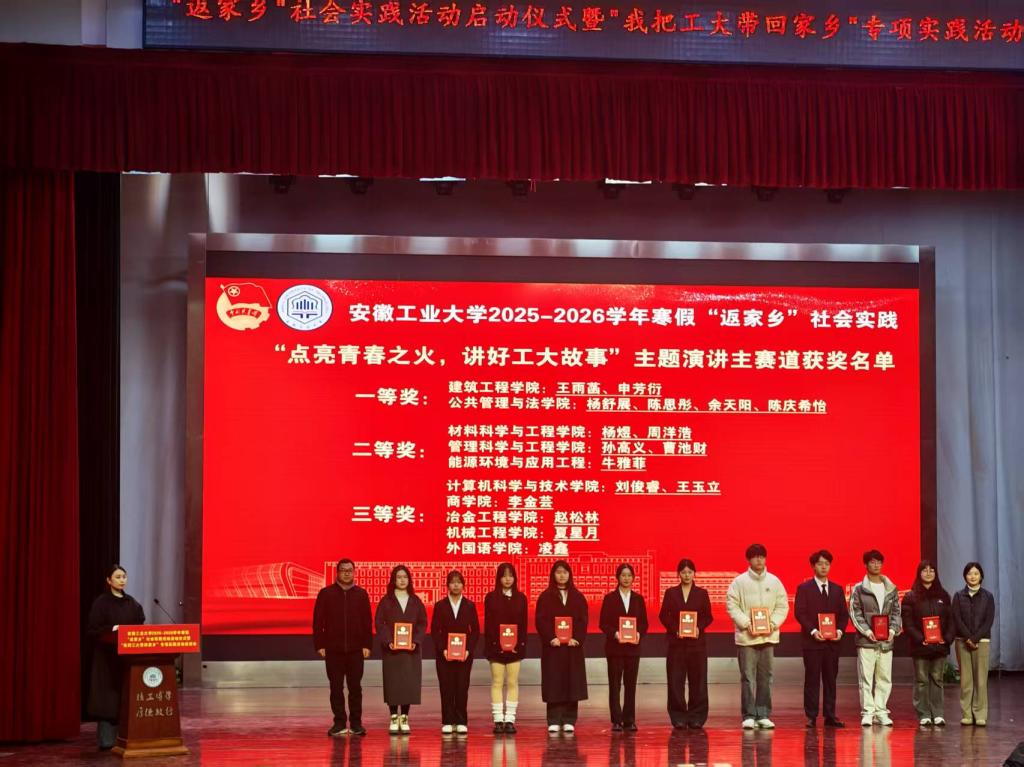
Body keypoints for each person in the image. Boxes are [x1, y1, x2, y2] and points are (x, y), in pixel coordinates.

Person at [725, 543, 789, 730]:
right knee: (747, 677)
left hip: (768, 637)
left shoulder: (775, 582)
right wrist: (747, 624)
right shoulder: (739, 582)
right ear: (749, 559)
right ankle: (749, 715)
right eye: (755, 556)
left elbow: (782, 606)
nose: (759, 560)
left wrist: (772, 624)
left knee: (766, 677)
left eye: (762, 556)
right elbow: (732, 605)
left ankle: (763, 714)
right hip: (747, 638)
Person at [86, 564, 146, 749]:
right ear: (109, 580)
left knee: (126, 697)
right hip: (107, 658)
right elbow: (93, 629)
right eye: (118, 577)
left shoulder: (131, 602)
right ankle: (107, 741)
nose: (122, 580)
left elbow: (140, 624)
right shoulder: (101, 603)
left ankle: (128, 737)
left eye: (124, 577)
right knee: (108, 699)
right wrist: (114, 629)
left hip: (128, 659)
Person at [312, 558, 373, 737]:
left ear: (354, 573)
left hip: (356, 650)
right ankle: (339, 723)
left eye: (350, 570)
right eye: (343, 570)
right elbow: (318, 621)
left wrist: (367, 644)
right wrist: (320, 644)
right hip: (333, 650)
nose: (347, 573)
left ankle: (356, 724)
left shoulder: (361, 594)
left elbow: (367, 622)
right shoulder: (326, 594)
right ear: (337, 573)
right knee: (336, 688)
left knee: (355, 688)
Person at [794, 550, 849, 728]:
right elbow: (800, 613)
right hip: (812, 643)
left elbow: (843, 615)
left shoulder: (837, 589)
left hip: (832, 644)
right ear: (813, 566)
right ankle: (811, 716)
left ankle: (830, 715)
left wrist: (839, 631)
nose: (824, 567)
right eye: (820, 563)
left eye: (827, 563)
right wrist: (813, 631)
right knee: (812, 680)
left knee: (830, 680)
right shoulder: (804, 588)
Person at [848, 549, 902, 727]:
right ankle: (868, 712)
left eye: (879, 562)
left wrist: (892, 630)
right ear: (866, 564)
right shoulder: (859, 588)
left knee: (884, 677)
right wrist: (867, 631)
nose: (876, 565)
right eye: (872, 562)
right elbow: (855, 612)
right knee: (866, 678)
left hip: (886, 641)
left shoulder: (891, 588)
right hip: (866, 642)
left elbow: (897, 612)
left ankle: (881, 711)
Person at [659, 558, 713, 730]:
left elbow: (708, 617)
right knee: (676, 680)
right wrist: (675, 629)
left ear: (694, 573)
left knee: (698, 681)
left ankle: (697, 717)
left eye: (690, 572)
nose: (687, 575)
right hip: (676, 644)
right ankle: (678, 717)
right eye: (683, 572)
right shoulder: (671, 593)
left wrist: (698, 628)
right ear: (678, 574)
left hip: (697, 644)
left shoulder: (702, 593)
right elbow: (663, 615)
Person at [535, 560, 589, 733]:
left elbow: (583, 620)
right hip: (553, 647)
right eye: (558, 572)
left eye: (565, 572)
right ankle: (553, 719)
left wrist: (577, 638)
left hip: (572, 647)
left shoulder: (578, 596)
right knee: (554, 681)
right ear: (553, 575)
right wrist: (551, 638)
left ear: (569, 575)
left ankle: (569, 719)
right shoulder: (545, 597)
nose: (562, 575)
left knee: (572, 682)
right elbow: (541, 620)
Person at [901, 560, 955, 726]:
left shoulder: (944, 595)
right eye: (925, 570)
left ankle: (938, 713)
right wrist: (921, 639)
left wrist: (946, 639)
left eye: (932, 570)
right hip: (920, 647)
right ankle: (923, 714)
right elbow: (908, 623)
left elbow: (951, 621)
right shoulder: (910, 597)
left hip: (940, 646)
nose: (929, 573)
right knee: (922, 680)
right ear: (919, 574)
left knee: (937, 679)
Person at [374, 565, 427, 734]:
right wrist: (388, 641)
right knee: (393, 682)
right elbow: (379, 623)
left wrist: (415, 641)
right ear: (393, 580)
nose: (402, 580)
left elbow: (422, 623)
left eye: (405, 577)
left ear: (409, 580)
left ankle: (404, 716)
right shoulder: (386, 600)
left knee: (408, 683)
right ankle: (393, 716)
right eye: (399, 577)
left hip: (411, 650)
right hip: (392, 650)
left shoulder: (416, 600)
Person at [599, 563, 649, 731]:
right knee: (615, 685)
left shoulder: (638, 599)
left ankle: (629, 719)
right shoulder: (610, 598)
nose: (626, 578)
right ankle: (616, 720)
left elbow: (644, 624)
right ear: (618, 577)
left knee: (630, 685)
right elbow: (603, 623)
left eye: (629, 575)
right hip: (615, 649)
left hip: (633, 649)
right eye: (623, 575)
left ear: (633, 578)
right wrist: (615, 634)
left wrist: (639, 634)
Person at [430, 570, 480, 734]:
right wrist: (443, 649)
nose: (456, 585)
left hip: (464, 655)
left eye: (459, 582)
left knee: (461, 687)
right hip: (444, 655)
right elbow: (435, 630)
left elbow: (475, 631)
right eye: (452, 582)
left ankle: (461, 721)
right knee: (446, 687)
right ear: (447, 585)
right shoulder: (440, 605)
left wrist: (468, 650)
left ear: (463, 585)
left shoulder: (469, 605)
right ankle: (447, 720)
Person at [484, 562, 528, 733]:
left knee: (512, 682)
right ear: (498, 578)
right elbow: (489, 625)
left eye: (511, 575)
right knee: (497, 682)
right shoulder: (491, 598)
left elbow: (523, 625)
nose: (507, 579)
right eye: (504, 575)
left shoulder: (521, 598)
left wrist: (519, 645)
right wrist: (496, 645)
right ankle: (498, 720)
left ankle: (510, 719)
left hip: (515, 648)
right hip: (495, 648)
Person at [951, 562, 995, 727]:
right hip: (962, 641)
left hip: (981, 641)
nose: (973, 576)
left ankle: (980, 714)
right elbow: (956, 618)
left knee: (981, 679)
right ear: (965, 576)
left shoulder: (988, 596)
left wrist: (975, 638)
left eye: (976, 573)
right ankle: (967, 714)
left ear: (981, 576)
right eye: (969, 573)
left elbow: (988, 620)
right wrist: (968, 637)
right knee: (966, 680)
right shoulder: (958, 596)